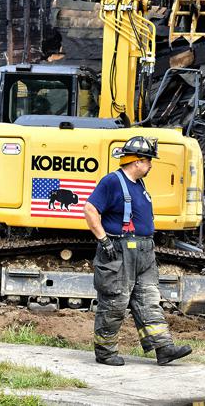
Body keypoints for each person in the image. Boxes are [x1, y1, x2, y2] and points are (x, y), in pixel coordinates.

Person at [83, 136, 192, 367]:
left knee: (149, 300)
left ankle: (164, 349)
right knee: (115, 303)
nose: (151, 165)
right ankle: (105, 351)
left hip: (143, 252)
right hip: (120, 252)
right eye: (149, 161)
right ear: (137, 162)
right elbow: (90, 209)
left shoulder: (139, 185)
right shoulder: (112, 182)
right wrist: (104, 240)